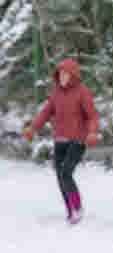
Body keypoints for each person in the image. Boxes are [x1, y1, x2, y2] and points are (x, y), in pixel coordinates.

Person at [21, 59, 99, 225]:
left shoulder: (82, 92)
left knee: (66, 173)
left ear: (73, 75)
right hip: (60, 139)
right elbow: (45, 113)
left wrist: (92, 133)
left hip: (78, 140)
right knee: (59, 175)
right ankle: (70, 209)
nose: (62, 77)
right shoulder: (56, 93)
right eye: (60, 74)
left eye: (66, 74)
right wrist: (32, 129)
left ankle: (77, 208)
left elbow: (92, 115)